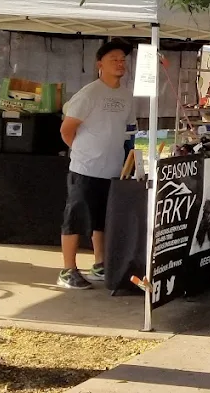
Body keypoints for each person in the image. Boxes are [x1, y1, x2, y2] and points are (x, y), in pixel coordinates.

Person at [58, 40, 137, 289]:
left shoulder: (126, 96)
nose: (120, 63)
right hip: (85, 169)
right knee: (75, 217)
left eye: (123, 59)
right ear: (99, 64)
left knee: (102, 219)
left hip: (113, 168)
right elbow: (66, 129)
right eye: (114, 58)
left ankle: (100, 263)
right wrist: (83, 152)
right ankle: (67, 269)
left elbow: (130, 130)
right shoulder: (89, 93)